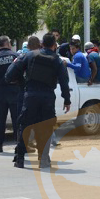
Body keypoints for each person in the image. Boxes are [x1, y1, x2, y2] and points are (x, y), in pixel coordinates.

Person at [6, 33, 71, 169]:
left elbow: (11, 73)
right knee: (45, 129)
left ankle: (20, 159)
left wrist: (20, 82)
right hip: (47, 97)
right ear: (54, 45)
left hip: (30, 96)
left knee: (25, 126)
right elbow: (64, 81)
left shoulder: (29, 55)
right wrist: (67, 100)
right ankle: (43, 160)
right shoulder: (57, 61)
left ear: (42, 44)